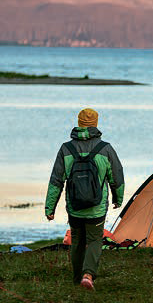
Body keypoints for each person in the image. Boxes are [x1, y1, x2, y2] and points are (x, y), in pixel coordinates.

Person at [44, 108, 124, 290]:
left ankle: (76, 280)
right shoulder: (106, 149)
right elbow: (117, 176)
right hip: (97, 207)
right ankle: (88, 275)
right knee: (95, 240)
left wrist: (50, 208)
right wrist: (117, 198)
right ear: (95, 123)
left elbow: (56, 180)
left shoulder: (66, 148)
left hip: (75, 207)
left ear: (79, 123)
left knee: (77, 240)